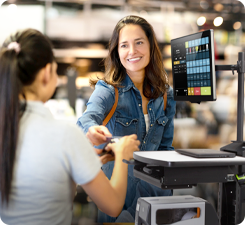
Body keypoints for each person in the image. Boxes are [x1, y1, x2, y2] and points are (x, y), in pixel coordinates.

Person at [0, 28, 140, 225]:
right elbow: (113, 205)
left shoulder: (6, 130)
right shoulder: (65, 134)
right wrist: (123, 156)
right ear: (47, 72)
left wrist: (86, 164)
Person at [77, 15, 176, 222]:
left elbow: (166, 150)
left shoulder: (166, 95)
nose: (132, 51)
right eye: (124, 45)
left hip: (156, 201)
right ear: (117, 51)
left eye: (139, 42)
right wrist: (91, 130)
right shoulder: (108, 90)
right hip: (118, 203)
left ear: (150, 46)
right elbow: (87, 119)